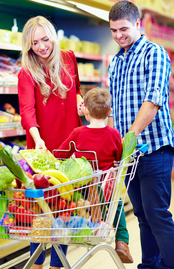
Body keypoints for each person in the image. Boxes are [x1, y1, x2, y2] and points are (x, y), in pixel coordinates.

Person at [108, 0, 174, 269]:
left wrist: (129, 137)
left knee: (158, 215)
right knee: (143, 217)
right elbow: (113, 105)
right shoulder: (115, 61)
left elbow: (153, 101)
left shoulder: (154, 53)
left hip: (155, 149)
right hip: (129, 155)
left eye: (123, 29)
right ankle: (150, 265)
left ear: (137, 24)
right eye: (113, 30)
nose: (118, 35)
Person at [17, 15, 84, 269]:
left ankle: (57, 264)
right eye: (35, 42)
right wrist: (37, 139)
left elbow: (76, 86)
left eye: (46, 39)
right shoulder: (26, 72)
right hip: (42, 150)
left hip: (70, 144)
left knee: (63, 211)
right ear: (28, 45)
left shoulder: (68, 58)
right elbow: (27, 111)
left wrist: (78, 99)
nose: (42, 46)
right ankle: (36, 264)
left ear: (53, 37)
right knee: (42, 212)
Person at [55, 87, 133, 263]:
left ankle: (89, 227)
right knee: (117, 206)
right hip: (107, 187)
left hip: (84, 188)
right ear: (109, 112)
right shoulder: (114, 134)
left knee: (74, 203)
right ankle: (122, 241)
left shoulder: (78, 132)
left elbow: (61, 154)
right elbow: (118, 160)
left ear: (86, 111)